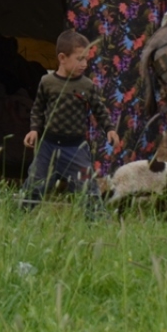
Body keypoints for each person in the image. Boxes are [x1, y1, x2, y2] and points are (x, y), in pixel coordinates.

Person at [22, 29, 121, 209]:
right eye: (79, 58)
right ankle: (19, 216)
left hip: (76, 148)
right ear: (62, 58)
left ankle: (97, 221)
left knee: (87, 186)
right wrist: (34, 129)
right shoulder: (47, 82)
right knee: (35, 182)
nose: (84, 64)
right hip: (48, 146)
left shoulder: (86, 85)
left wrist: (110, 129)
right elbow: (37, 109)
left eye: (86, 59)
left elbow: (100, 110)